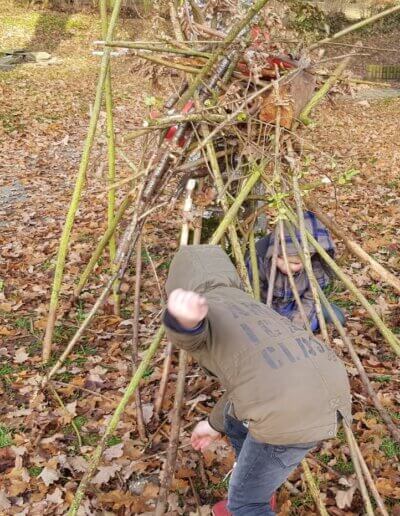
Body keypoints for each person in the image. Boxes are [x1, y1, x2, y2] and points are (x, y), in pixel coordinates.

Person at [163, 245, 352, 516]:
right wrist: (214, 424)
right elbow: (252, 380)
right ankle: (256, 480)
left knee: (245, 504)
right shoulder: (250, 305)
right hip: (327, 382)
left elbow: (191, 335)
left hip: (290, 410)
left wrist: (182, 321)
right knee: (235, 422)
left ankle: (253, 501)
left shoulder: (206, 313)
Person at [245, 211, 345, 332]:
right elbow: (252, 297)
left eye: (295, 263)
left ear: (310, 256)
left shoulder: (315, 266)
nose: (288, 268)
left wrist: (296, 326)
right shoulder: (260, 260)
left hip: (295, 306)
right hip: (268, 308)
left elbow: (309, 300)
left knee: (336, 317)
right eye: (281, 259)